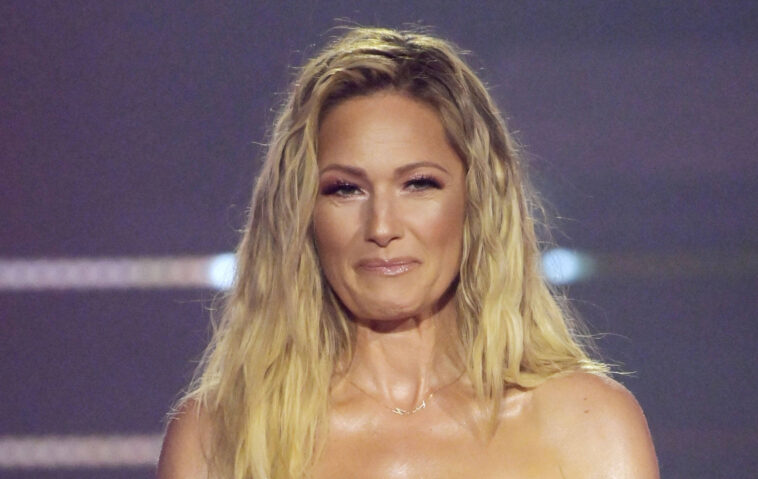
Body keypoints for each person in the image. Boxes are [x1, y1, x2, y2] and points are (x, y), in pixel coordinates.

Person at [157, 27, 659, 479]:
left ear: (478, 200)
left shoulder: (587, 426)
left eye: (418, 184)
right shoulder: (219, 437)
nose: (381, 227)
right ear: (301, 213)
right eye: (345, 189)